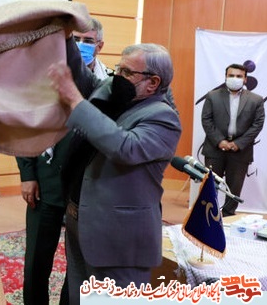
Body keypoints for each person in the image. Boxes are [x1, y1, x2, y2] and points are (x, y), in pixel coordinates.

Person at [47, 39, 181, 304]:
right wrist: (65, 35)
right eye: (118, 68)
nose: (117, 77)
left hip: (118, 237)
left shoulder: (163, 117)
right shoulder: (120, 97)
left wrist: (75, 100)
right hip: (82, 220)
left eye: (127, 72)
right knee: (78, 296)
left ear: (153, 82)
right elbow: (82, 73)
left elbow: (124, 147)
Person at [16, 18, 111, 305]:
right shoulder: (45, 80)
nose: (81, 46)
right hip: (44, 184)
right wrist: (27, 175)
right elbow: (26, 128)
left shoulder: (108, 85)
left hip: (84, 191)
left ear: (100, 45)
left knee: (78, 263)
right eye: (76, 40)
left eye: (88, 41)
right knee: (36, 261)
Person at [201, 63, 265, 217]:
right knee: (210, 187)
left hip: (240, 151)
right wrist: (219, 141)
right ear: (225, 77)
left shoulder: (256, 100)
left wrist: (238, 143)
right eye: (231, 75)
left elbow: (257, 124)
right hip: (214, 149)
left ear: (245, 79)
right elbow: (206, 120)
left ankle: (228, 216)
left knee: (234, 189)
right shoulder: (212, 96)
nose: (234, 78)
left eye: (239, 76)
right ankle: (208, 218)